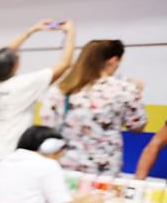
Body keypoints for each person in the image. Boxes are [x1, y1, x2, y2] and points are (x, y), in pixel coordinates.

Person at [0, 20, 76, 173]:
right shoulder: (24, 85)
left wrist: (30, 31)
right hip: (4, 157)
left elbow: (3, 54)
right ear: (15, 66)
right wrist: (70, 32)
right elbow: (64, 64)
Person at [39, 39, 147, 175]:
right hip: (102, 170)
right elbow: (137, 126)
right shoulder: (124, 89)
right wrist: (138, 92)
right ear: (112, 61)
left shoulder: (60, 89)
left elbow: (47, 125)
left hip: (62, 165)